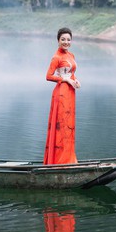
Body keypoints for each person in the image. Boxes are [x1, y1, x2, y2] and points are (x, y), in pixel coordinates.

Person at [44, 27, 81, 165]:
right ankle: (59, 160)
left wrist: (75, 79)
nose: (66, 42)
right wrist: (65, 80)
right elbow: (48, 76)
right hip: (61, 93)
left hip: (70, 92)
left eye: (68, 39)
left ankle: (69, 158)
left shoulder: (71, 55)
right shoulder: (56, 57)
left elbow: (71, 73)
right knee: (62, 126)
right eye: (63, 39)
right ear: (58, 41)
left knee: (69, 126)